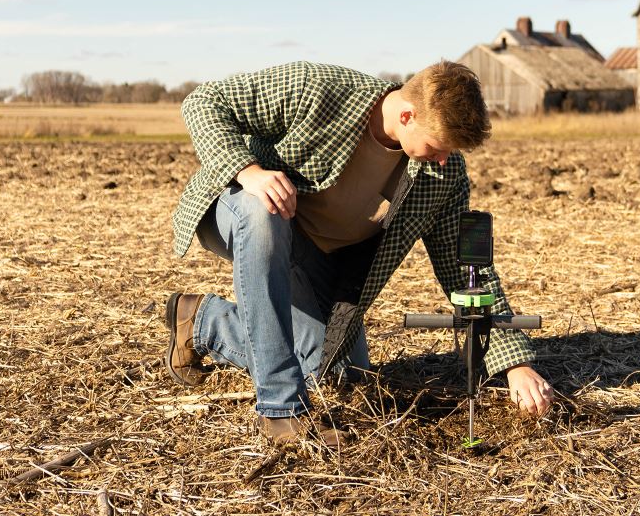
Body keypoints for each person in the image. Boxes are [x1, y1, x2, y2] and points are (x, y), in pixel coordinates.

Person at [164, 60, 554, 447]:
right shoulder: (315, 88)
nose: (442, 159)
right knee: (261, 211)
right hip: (242, 211)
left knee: (339, 375)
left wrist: (514, 364)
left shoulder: (444, 174)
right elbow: (204, 101)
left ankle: (203, 321)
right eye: (437, 147)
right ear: (407, 115)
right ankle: (280, 409)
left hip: (321, 261)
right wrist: (248, 171)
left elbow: (466, 270)